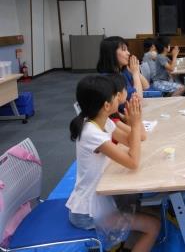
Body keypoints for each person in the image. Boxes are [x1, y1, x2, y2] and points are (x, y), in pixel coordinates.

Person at [67, 75, 160, 251]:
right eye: (115, 95)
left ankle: (126, 246)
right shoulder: (92, 133)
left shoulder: (101, 122)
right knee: (153, 226)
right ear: (107, 105)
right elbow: (133, 162)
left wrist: (135, 124)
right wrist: (136, 121)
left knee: (150, 210)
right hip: (88, 212)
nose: (119, 97)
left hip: (98, 201)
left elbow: (135, 140)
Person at [97, 36, 149, 100]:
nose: (128, 53)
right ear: (112, 53)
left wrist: (136, 72)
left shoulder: (123, 71)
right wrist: (135, 73)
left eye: (127, 50)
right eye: (124, 50)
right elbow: (137, 99)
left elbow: (146, 87)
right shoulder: (108, 78)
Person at [108, 74, 146, 143]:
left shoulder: (116, 114)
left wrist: (129, 119)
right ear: (119, 95)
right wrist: (138, 114)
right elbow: (142, 136)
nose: (127, 92)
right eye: (126, 88)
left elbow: (131, 132)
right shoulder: (112, 121)